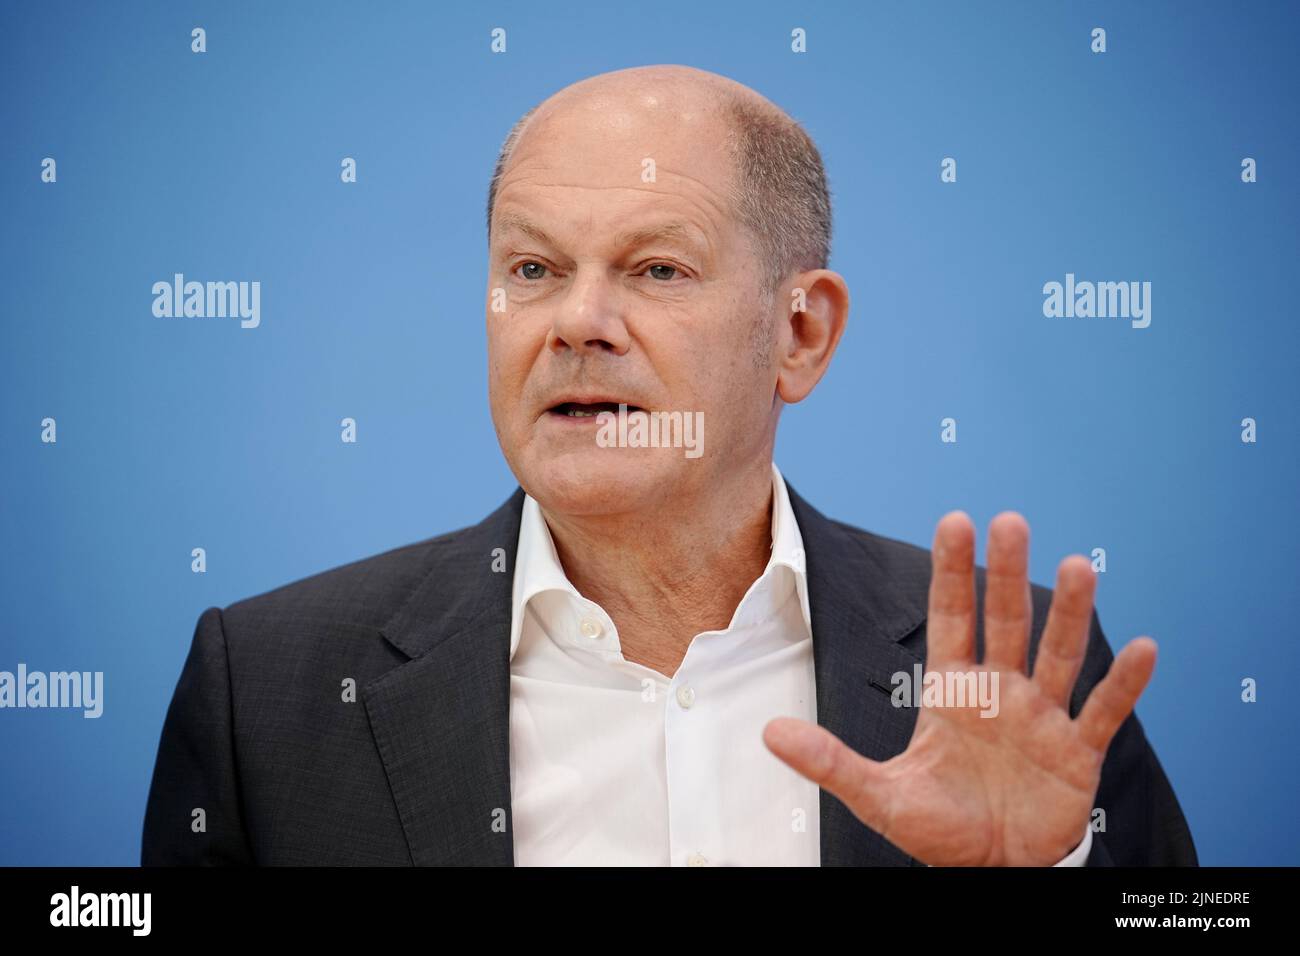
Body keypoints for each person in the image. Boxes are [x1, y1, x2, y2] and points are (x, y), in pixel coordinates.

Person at [142, 65, 1196, 866]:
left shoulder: (1005, 679)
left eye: (656, 267)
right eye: (532, 268)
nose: (577, 321)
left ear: (800, 333)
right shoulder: (267, 688)